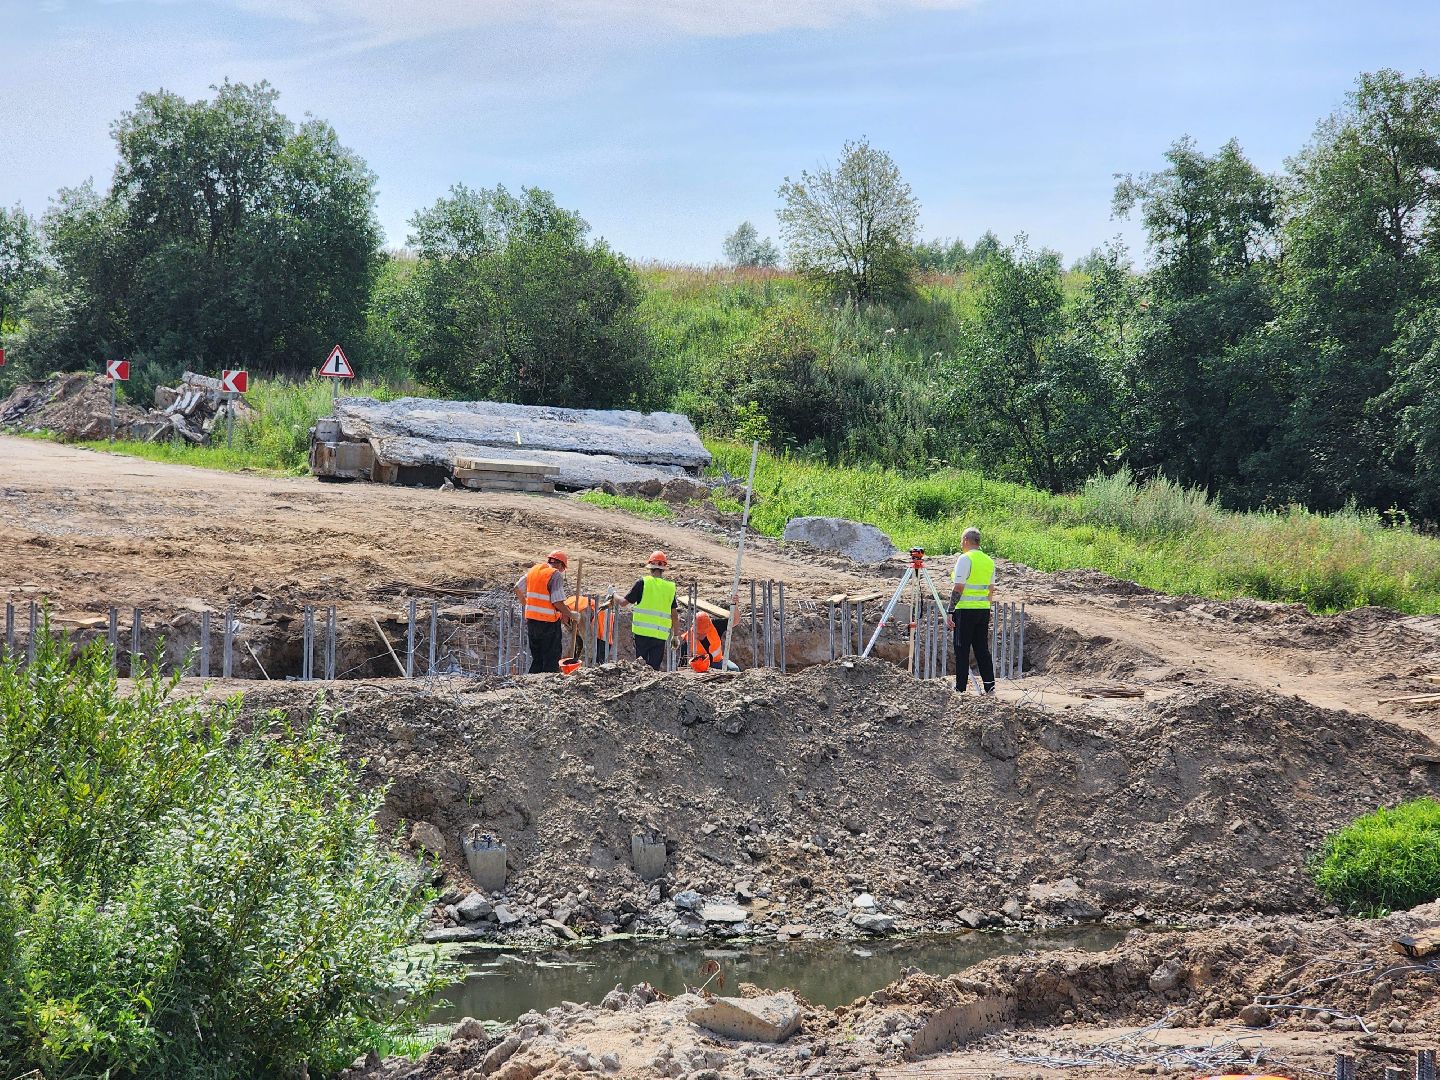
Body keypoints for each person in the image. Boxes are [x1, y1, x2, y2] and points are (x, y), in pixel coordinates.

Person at [947, 526, 996, 694]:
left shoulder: (965, 559)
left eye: (962, 540)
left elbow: (958, 587)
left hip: (965, 610)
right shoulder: (989, 561)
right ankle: (990, 686)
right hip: (983, 610)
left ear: (966, 540)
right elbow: (990, 590)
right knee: (982, 649)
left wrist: (950, 611)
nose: (961, 544)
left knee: (962, 649)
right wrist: (986, 610)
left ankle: (960, 688)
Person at [513, 550, 575, 674]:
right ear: (560, 565)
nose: (562, 572)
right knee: (551, 659)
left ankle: (533, 683)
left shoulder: (534, 571)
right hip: (548, 624)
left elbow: (517, 588)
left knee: (537, 658)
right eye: (563, 569)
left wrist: (527, 606)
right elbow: (557, 602)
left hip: (532, 622)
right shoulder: (555, 574)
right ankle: (547, 685)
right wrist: (572, 615)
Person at [620, 550, 678, 670]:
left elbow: (623, 603)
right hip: (660, 635)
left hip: (642, 634)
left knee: (640, 667)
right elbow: (674, 614)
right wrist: (675, 635)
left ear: (650, 566)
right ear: (663, 568)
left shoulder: (642, 583)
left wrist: (613, 594)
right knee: (654, 668)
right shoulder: (669, 588)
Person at [563, 593, 611, 663]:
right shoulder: (565, 611)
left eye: (561, 619)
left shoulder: (579, 615)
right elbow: (578, 641)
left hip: (602, 627)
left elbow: (589, 640)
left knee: (598, 660)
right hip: (589, 623)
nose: (561, 622)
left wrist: (583, 662)